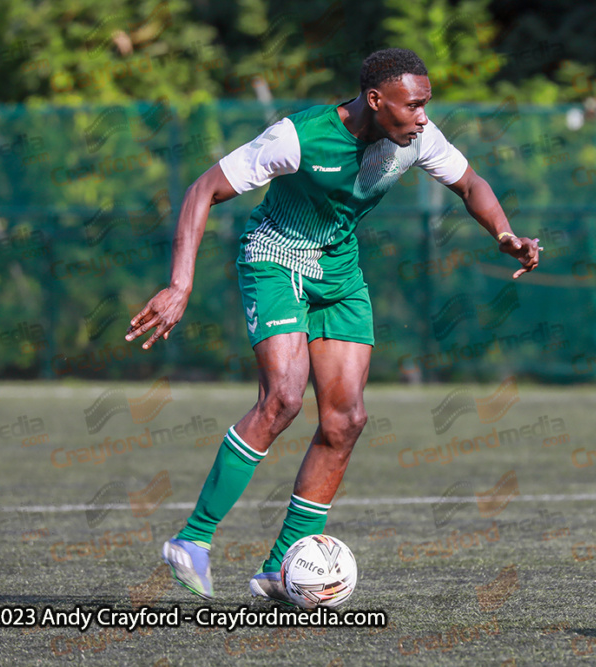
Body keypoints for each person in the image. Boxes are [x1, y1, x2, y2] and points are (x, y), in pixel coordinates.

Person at [124, 47, 540, 604]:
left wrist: (504, 234)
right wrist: (180, 284)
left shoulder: (417, 137)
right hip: (275, 258)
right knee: (284, 399)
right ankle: (193, 540)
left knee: (345, 420)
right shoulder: (298, 137)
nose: (422, 116)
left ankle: (278, 567)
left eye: (426, 105)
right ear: (375, 99)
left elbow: (471, 185)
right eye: (413, 104)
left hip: (339, 273)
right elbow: (204, 190)